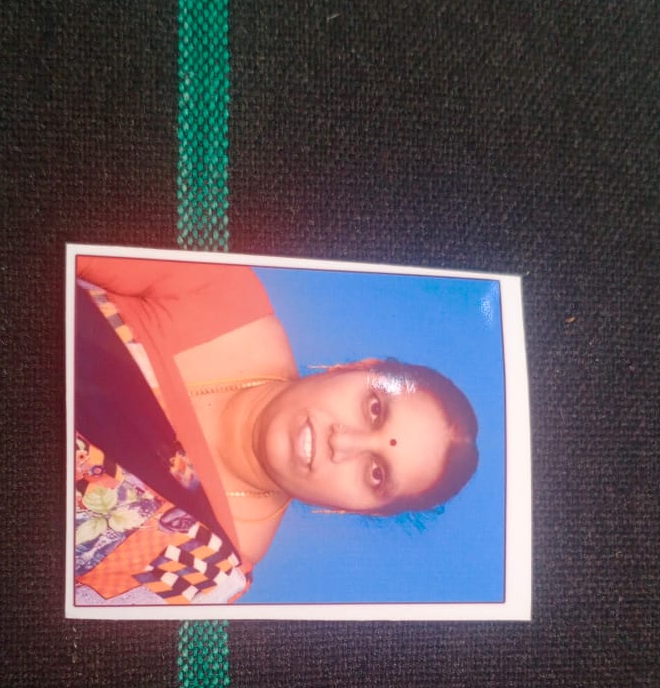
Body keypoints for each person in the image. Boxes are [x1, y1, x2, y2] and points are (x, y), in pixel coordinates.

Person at [73, 255, 478, 605]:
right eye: (374, 409)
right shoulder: (220, 290)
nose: (342, 441)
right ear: (354, 368)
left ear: (352, 509)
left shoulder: (207, 570)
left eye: (376, 473)